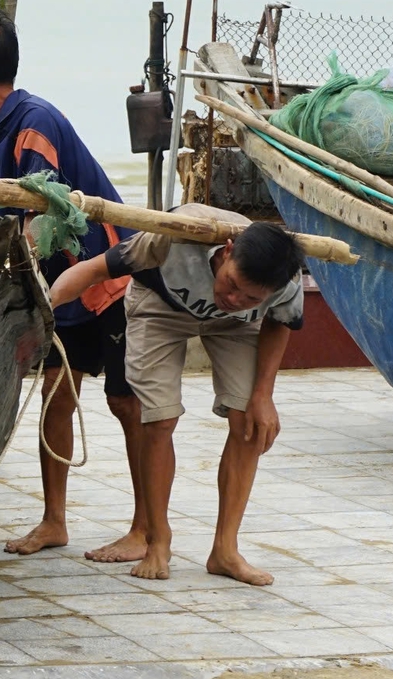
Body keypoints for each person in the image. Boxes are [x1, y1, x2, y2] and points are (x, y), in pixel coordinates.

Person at [0, 7, 148, 556]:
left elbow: (47, 222)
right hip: (55, 288)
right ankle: (54, 521)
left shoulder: (35, 123)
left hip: (105, 280)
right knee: (57, 392)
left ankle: (145, 527)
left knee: (127, 403)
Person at [47, 206, 304, 584]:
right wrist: (45, 309)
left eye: (250, 297)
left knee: (250, 422)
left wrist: (263, 396)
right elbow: (94, 271)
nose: (234, 297)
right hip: (159, 308)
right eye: (231, 284)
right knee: (159, 418)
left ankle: (225, 550)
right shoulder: (170, 239)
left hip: (234, 330)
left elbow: (281, 323)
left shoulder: (285, 281)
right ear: (227, 251)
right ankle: (158, 541)